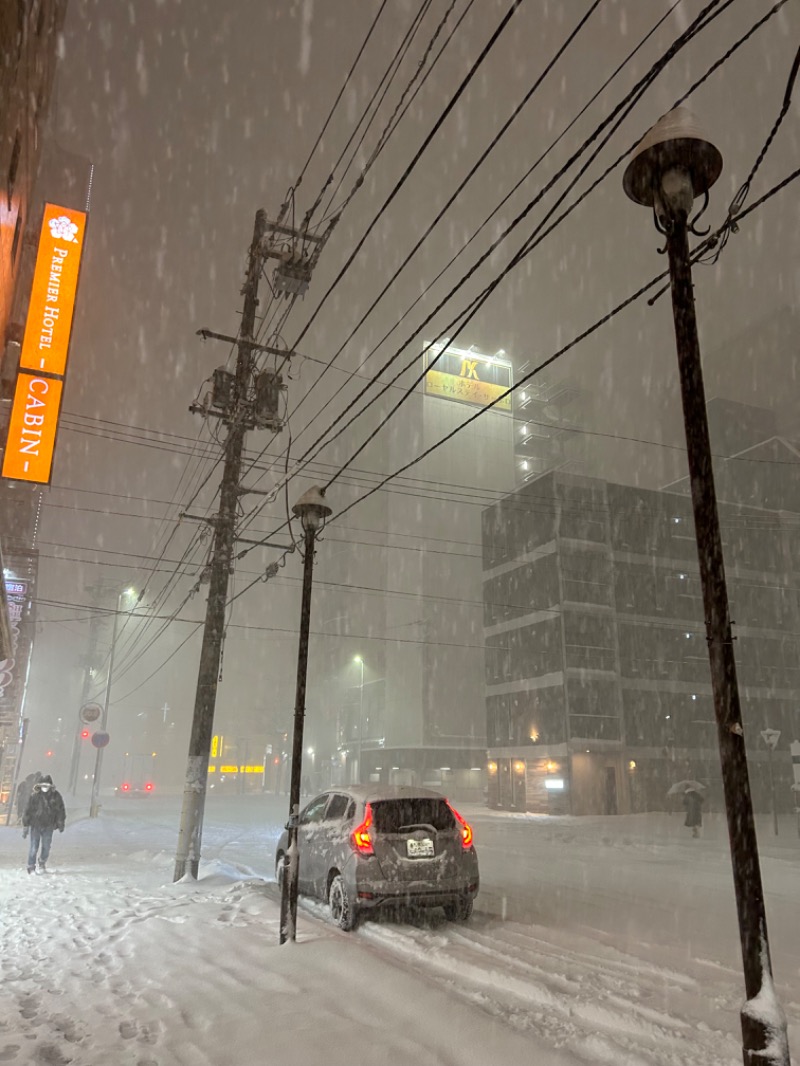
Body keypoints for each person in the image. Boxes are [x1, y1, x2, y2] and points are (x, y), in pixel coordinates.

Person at [21, 774, 66, 873]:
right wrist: (25, 825)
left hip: (48, 826)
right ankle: (31, 866)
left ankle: (42, 862)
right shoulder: (34, 796)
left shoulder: (56, 796)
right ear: (39, 786)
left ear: (50, 786)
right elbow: (27, 811)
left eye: (47, 785)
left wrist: (60, 822)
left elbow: (60, 810)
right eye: (43, 785)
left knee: (46, 847)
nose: (45, 788)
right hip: (35, 825)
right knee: (33, 847)